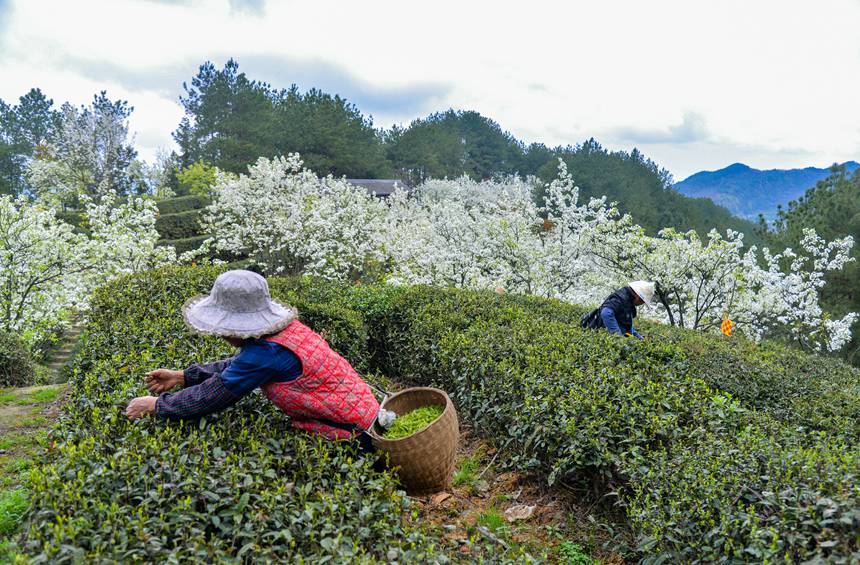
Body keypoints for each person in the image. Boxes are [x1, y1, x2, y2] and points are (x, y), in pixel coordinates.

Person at [124, 270, 380, 445]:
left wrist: (157, 406)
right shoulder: (284, 332)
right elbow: (237, 368)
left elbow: (214, 395)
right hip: (366, 417)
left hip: (354, 436)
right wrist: (182, 377)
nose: (221, 334)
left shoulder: (265, 352)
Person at [583, 280, 655, 339]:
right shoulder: (620, 299)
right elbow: (606, 313)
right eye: (642, 301)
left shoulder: (628, 301)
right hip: (601, 336)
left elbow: (626, 325)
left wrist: (639, 338)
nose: (642, 303)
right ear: (637, 296)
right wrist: (618, 337)